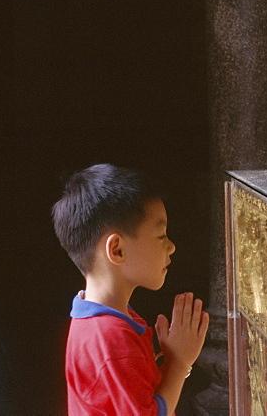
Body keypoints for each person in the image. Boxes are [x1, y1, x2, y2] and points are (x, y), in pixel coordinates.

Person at [52, 164, 209, 415]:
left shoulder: (101, 318)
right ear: (117, 250)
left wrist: (167, 362)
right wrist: (179, 363)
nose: (171, 247)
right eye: (161, 236)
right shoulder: (111, 339)